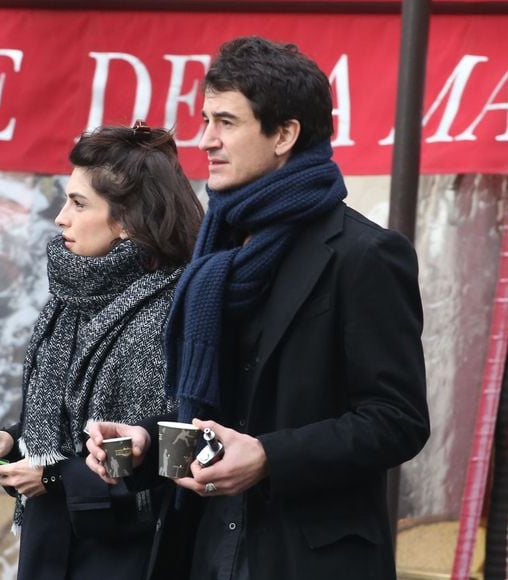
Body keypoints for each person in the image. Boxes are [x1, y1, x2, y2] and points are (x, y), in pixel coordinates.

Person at [86, 36, 430, 580]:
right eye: (204, 120)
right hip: (200, 546)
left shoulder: (365, 255)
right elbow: (213, 417)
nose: (204, 140)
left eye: (225, 122)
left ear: (284, 135)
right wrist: (148, 443)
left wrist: (269, 456)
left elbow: (397, 422)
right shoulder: (215, 249)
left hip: (307, 557)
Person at [0, 122, 204, 580]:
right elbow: (67, 421)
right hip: (48, 545)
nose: (60, 217)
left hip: (133, 556)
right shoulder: (70, 298)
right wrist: (13, 441)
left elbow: (186, 442)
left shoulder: (180, 305)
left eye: (78, 203)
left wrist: (57, 476)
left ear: (129, 221)